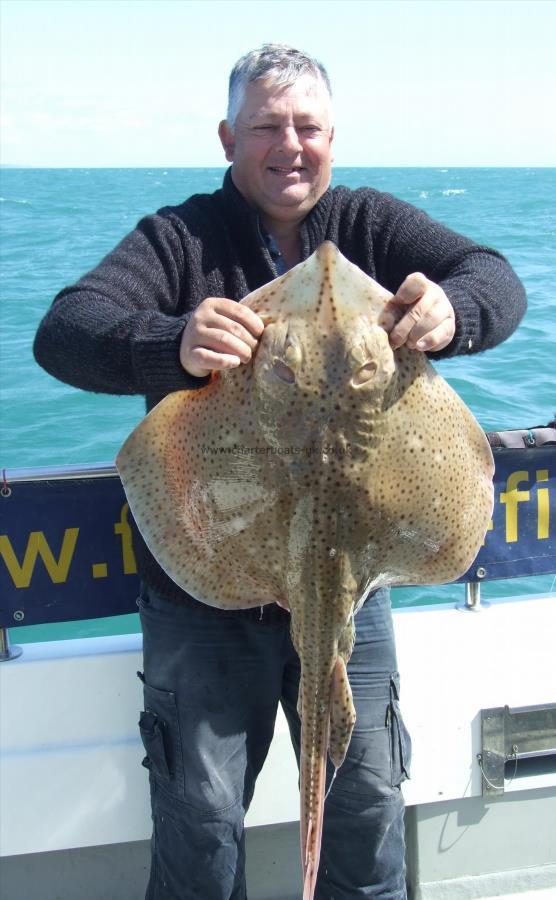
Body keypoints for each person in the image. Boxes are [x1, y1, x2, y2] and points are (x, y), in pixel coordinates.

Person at [34, 44, 526, 900]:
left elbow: (496, 278)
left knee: (367, 808)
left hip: (354, 586)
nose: (290, 144)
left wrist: (457, 311)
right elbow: (67, 328)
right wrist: (171, 342)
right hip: (205, 589)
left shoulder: (370, 224)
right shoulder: (178, 238)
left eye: (308, 127)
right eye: (267, 126)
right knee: (200, 822)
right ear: (229, 138)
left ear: (333, 137)